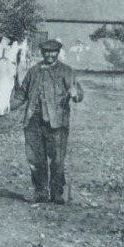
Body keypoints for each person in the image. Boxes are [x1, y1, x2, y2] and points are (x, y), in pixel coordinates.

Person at [10, 38, 83, 205]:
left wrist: (75, 94)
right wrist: (6, 107)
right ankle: (40, 191)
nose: (50, 54)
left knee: (57, 160)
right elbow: (21, 95)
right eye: (47, 52)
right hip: (33, 121)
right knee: (35, 159)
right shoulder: (33, 71)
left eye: (53, 51)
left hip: (57, 122)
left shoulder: (67, 71)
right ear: (42, 53)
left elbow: (79, 94)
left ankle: (57, 192)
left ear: (58, 53)